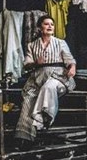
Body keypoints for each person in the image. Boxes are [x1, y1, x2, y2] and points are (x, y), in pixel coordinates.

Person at [14, 15, 77, 151]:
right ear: (39, 28)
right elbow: (27, 65)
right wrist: (36, 63)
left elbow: (70, 60)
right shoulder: (32, 45)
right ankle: (24, 139)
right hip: (38, 78)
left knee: (48, 87)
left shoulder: (60, 43)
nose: (50, 27)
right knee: (28, 100)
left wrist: (72, 67)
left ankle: (45, 117)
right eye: (46, 24)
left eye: (52, 24)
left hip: (58, 77)